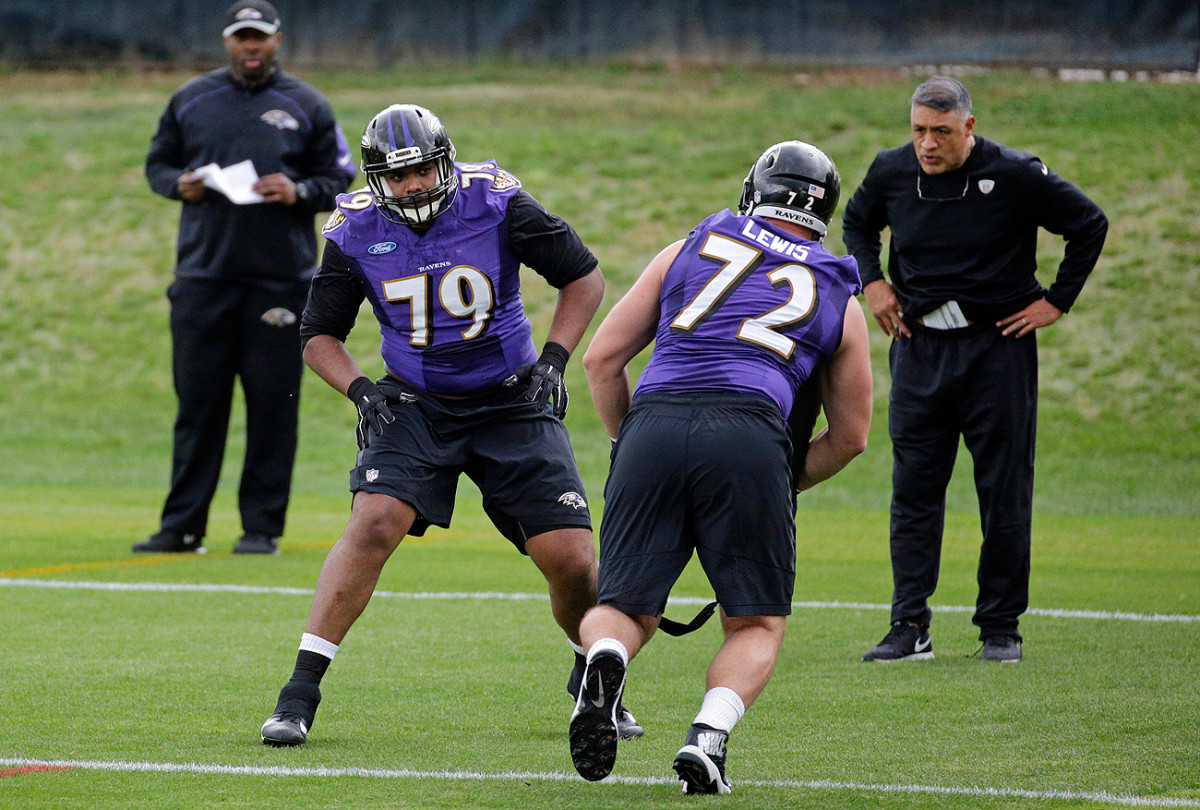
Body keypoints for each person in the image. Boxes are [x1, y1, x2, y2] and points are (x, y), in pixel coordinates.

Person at [258, 102, 643, 747]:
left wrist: (554, 358)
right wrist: (359, 389)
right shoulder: (353, 229)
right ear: (376, 178)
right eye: (398, 175)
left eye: (423, 171)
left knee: (573, 558)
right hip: (416, 402)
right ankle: (299, 694)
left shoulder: (496, 201)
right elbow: (318, 332)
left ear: (446, 162)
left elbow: (583, 277)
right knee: (373, 521)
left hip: (510, 398)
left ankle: (592, 677)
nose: (413, 186)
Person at [572, 141, 873, 793]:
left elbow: (600, 360)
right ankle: (708, 738)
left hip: (653, 422)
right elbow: (850, 438)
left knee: (622, 606)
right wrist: (773, 479)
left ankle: (605, 656)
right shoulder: (839, 292)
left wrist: (636, 444)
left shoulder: (689, 247)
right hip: (752, 434)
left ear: (753, 192)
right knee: (756, 622)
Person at [842, 76, 1107, 663]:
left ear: (968, 126)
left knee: (1004, 490)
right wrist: (874, 282)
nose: (927, 144)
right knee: (913, 492)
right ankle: (909, 625)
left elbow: (1089, 224)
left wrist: (1058, 299)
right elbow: (857, 224)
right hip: (918, 350)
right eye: (918, 131)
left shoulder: (1013, 173)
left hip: (997, 352)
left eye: (940, 131)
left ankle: (1000, 626)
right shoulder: (890, 170)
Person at [136, 0, 356, 556]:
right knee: (198, 406)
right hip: (203, 278)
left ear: (277, 41)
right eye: (242, 37)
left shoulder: (306, 104)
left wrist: (298, 192)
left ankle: (261, 529)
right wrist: (176, 184)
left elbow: (341, 178)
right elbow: (157, 163)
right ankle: (181, 527)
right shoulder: (192, 98)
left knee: (273, 404)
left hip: (279, 281)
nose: (250, 46)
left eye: (260, 37)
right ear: (227, 42)